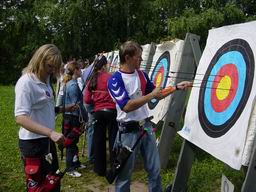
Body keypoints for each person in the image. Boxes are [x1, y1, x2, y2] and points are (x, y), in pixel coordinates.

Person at [107, 41, 192, 192]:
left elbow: (157, 95)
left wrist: (177, 87)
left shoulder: (141, 75)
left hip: (145, 128)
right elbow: (126, 106)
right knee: (124, 176)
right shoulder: (115, 80)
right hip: (128, 132)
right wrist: (150, 96)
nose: (140, 60)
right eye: (138, 57)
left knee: (155, 169)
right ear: (127, 57)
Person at [14, 44, 77, 192]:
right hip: (33, 144)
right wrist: (50, 132)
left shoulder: (46, 80)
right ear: (39, 60)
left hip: (46, 141)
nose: (52, 71)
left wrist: (63, 109)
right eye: (49, 66)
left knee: (52, 184)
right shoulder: (26, 83)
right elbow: (21, 118)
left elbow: (43, 109)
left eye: (55, 67)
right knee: (39, 188)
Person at [84, 55, 118, 176]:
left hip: (98, 112)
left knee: (99, 140)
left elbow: (87, 99)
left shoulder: (92, 79)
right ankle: (115, 166)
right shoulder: (111, 77)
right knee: (114, 139)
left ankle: (99, 169)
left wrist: (96, 101)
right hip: (112, 112)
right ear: (104, 66)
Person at [62, 61, 88, 177]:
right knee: (70, 142)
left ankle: (75, 162)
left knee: (74, 141)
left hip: (73, 117)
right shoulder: (72, 85)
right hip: (72, 117)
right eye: (79, 69)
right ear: (75, 70)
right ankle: (69, 168)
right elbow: (76, 105)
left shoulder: (72, 83)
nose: (81, 71)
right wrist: (85, 117)